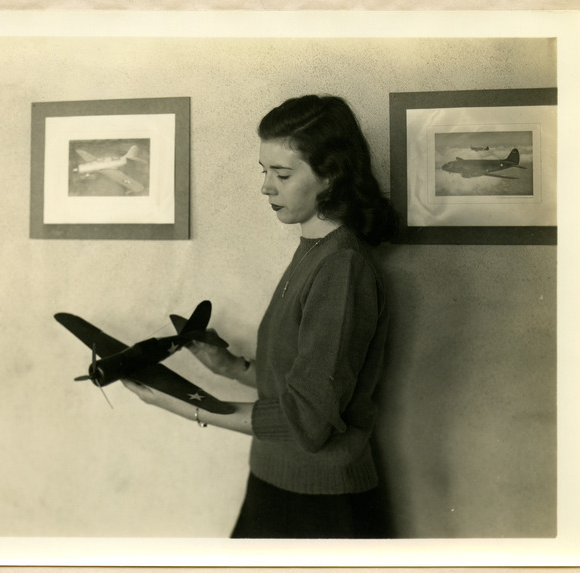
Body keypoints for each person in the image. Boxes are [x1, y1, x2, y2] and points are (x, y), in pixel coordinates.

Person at [123, 94, 397, 538]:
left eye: (282, 174)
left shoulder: (342, 268)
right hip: (276, 477)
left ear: (330, 176)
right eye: (264, 171)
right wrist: (232, 368)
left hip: (321, 503)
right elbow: (304, 380)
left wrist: (186, 406)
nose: (266, 187)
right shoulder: (314, 251)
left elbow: (308, 420)